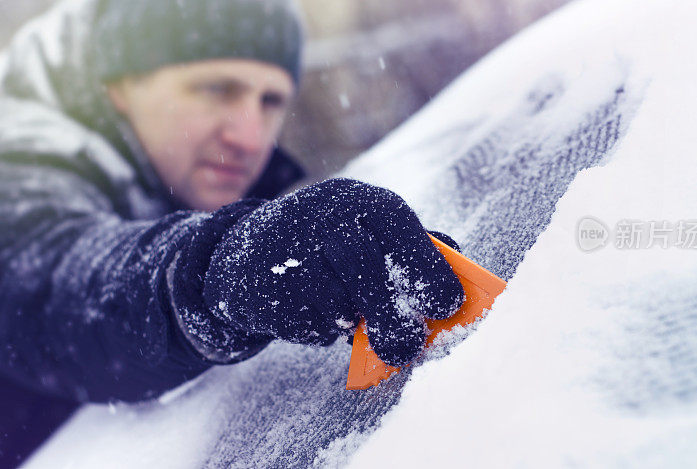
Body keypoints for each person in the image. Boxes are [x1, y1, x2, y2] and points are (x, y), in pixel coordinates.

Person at [0, 0, 464, 465]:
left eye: (271, 101)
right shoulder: (15, 159)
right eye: (217, 90)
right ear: (121, 86)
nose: (249, 137)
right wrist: (213, 270)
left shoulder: (177, 166)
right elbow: (54, 282)